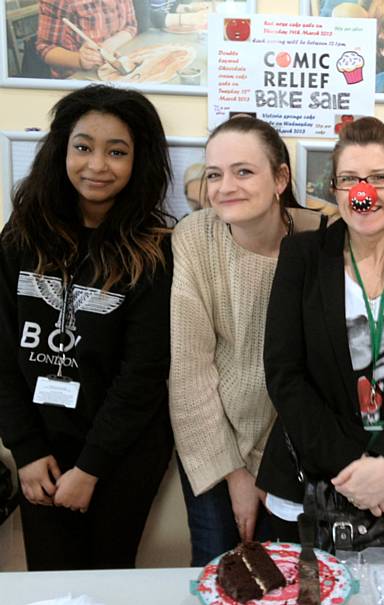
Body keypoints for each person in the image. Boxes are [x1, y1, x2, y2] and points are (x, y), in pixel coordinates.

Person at [256, 117, 384, 550]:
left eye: (379, 179)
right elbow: (283, 373)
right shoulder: (302, 256)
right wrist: (356, 469)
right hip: (309, 478)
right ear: (335, 188)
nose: (363, 192)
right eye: (349, 179)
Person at [0, 84, 174, 570]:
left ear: (139, 161)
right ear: (62, 151)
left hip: (121, 455)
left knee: (108, 578)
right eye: (83, 147)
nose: (97, 165)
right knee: (50, 582)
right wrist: (28, 451)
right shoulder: (20, 238)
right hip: (42, 447)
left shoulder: (154, 251)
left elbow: (144, 371)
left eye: (116, 151)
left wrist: (92, 466)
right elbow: (0, 354)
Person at [169, 116, 326, 565]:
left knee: (293, 574)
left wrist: (267, 464)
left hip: (295, 444)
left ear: (280, 178)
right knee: (219, 569)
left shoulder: (321, 238)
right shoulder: (196, 237)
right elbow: (189, 370)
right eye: (214, 174)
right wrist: (236, 471)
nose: (225, 186)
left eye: (243, 171)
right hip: (213, 438)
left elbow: (320, 370)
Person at [36, 0, 137, 78]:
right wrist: (79, 60)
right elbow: (45, 48)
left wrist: (110, 44)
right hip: (77, 78)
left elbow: (131, 26)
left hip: (113, 71)